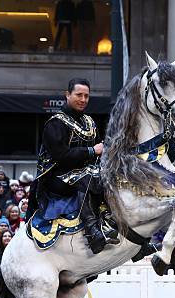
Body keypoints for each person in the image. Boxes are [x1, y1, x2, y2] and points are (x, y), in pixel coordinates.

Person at [28, 78, 118, 254]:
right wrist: (92, 151)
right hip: (56, 178)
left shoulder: (90, 123)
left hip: (86, 172)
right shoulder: (55, 123)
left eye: (86, 96)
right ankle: (92, 231)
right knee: (88, 177)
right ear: (67, 95)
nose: (83, 99)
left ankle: (117, 223)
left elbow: (101, 151)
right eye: (79, 95)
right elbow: (61, 156)